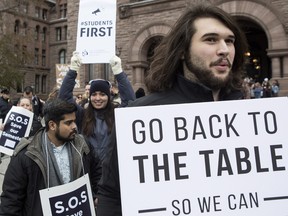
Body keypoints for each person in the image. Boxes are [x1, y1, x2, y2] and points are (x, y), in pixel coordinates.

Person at [96, 4, 248, 216]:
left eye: (230, 41)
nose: (224, 49)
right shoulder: (140, 117)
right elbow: (111, 195)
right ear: (183, 52)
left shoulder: (253, 118)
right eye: (211, 39)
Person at [0, 98, 102, 215]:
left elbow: (98, 173)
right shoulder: (28, 154)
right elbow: (11, 199)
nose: (74, 126)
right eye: (68, 123)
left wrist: (97, 196)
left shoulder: (83, 145)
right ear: (52, 125)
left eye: (74, 121)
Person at [58, 52, 135, 163]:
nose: (98, 98)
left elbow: (130, 102)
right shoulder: (82, 115)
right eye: (94, 94)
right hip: (89, 170)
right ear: (90, 96)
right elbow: (64, 98)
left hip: (112, 170)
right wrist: (73, 70)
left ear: (108, 97)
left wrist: (119, 72)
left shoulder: (116, 114)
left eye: (102, 94)